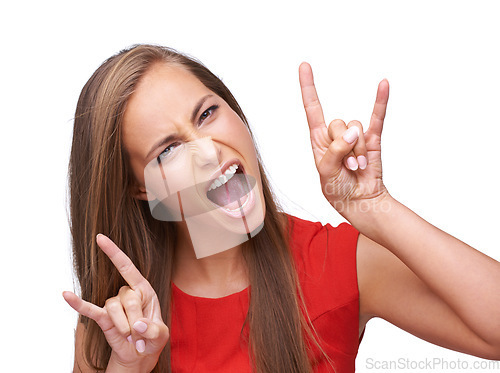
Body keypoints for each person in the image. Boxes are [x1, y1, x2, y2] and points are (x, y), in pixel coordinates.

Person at [63, 44, 500, 373]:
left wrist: (377, 208)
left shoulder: (338, 262)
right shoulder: (116, 324)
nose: (209, 152)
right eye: (169, 150)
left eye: (207, 114)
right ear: (140, 189)